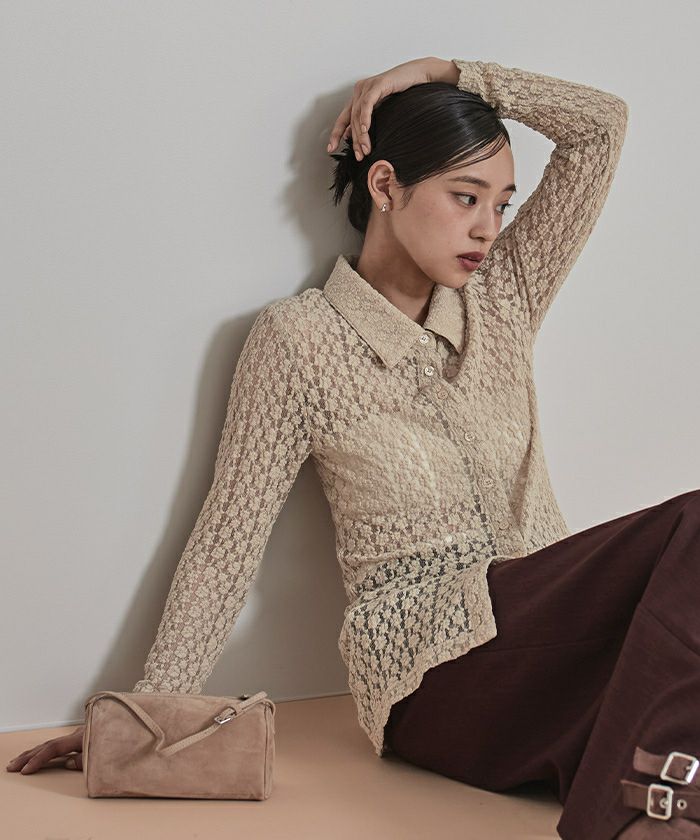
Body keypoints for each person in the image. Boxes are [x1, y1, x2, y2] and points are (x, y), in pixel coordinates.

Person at [7, 55, 698, 840]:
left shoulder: (503, 297)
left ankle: (649, 813)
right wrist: (148, 716)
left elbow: (600, 129)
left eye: (502, 204)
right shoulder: (299, 340)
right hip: (433, 676)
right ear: (386, 186)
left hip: (553, 650)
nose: (488, 227)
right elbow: (229, 540)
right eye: (465, 197)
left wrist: (452, 71)